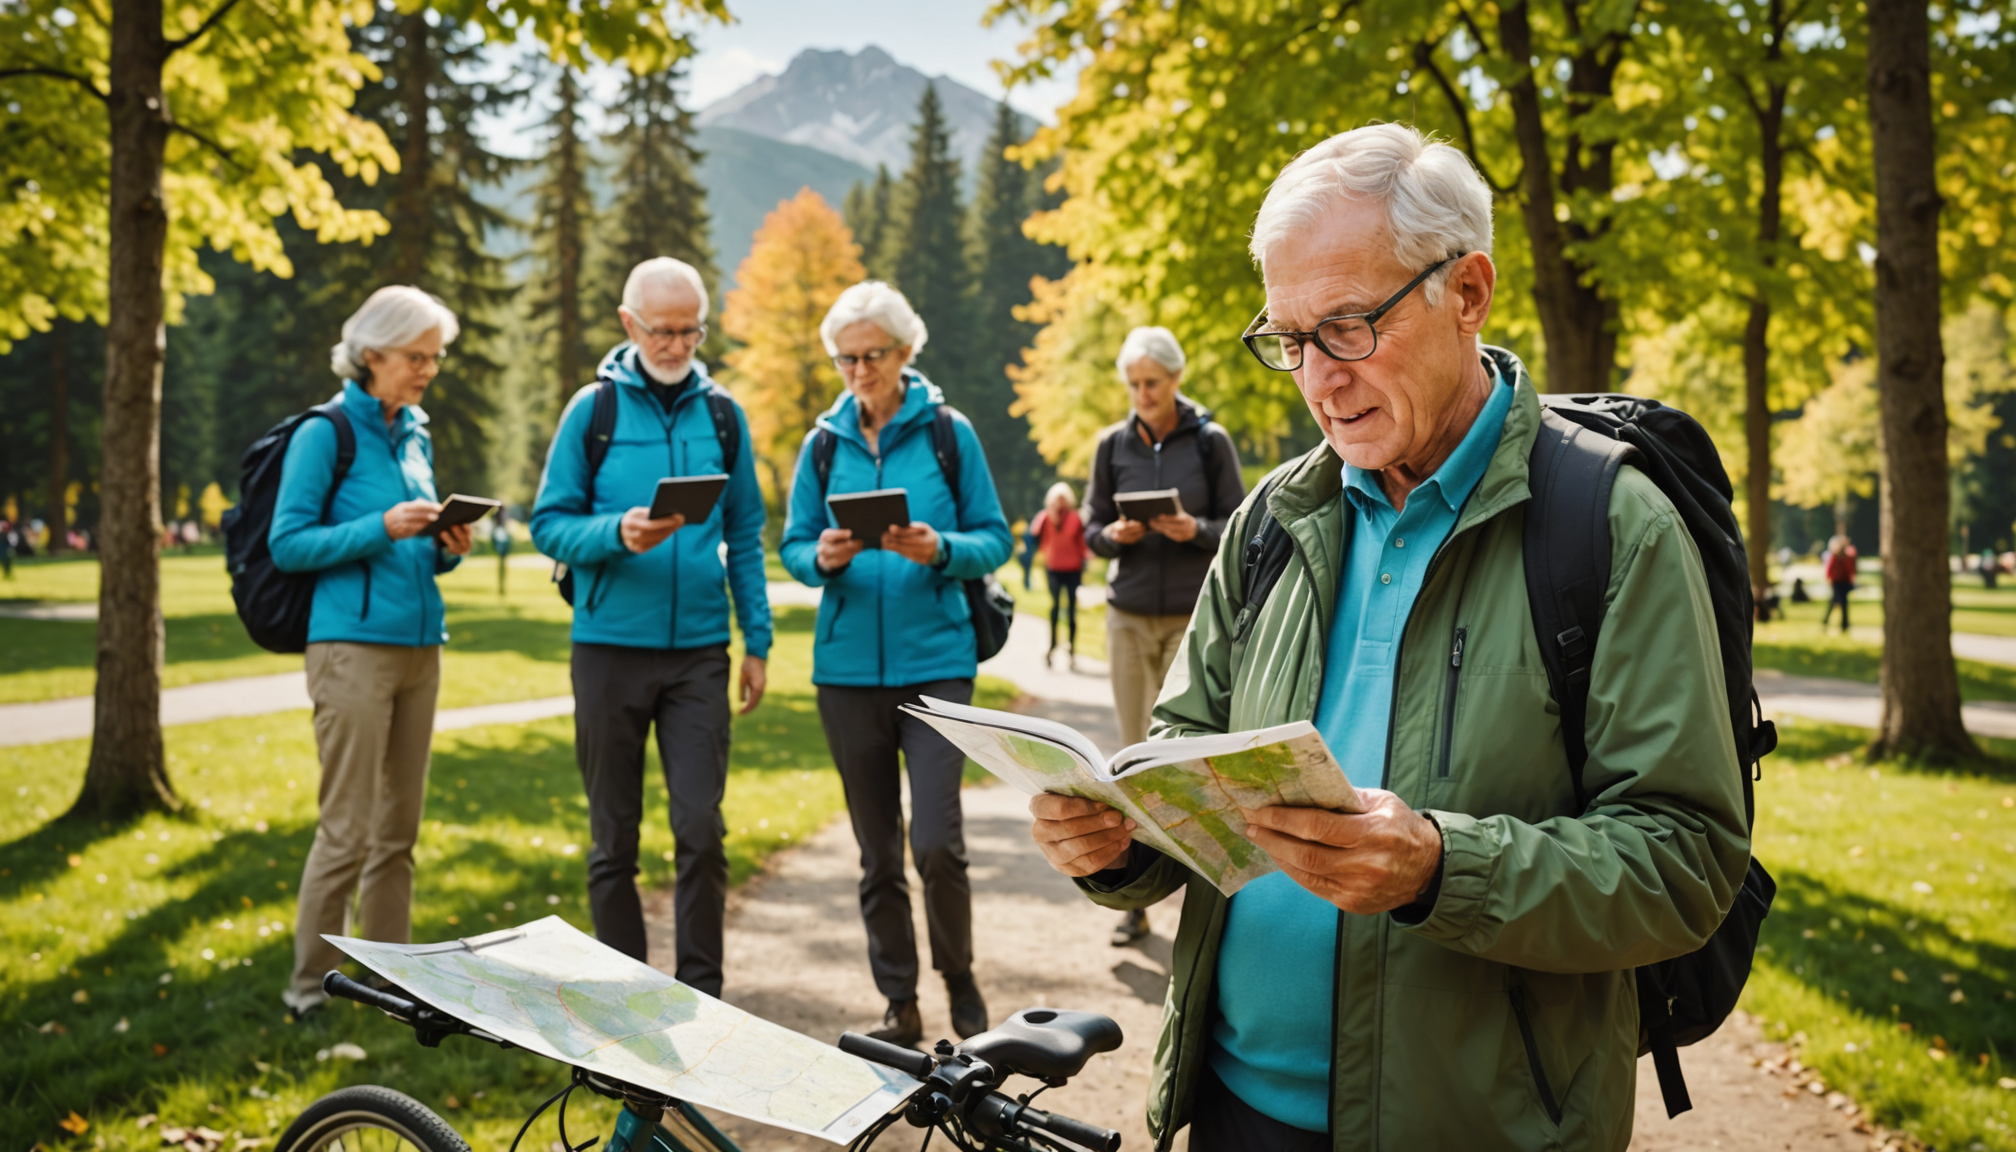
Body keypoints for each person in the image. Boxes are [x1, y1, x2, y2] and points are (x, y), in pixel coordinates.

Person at [1027, 123, 1750, 1149]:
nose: (1318, 378)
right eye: (1288, 339)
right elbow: (1181, 763)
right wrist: (1115, 844)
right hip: (1234, 1110)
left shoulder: (1610, 524)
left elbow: (1685, 862)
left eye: (1349, 325)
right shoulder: (1273, 518)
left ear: (1468, 292)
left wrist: (1437, 868)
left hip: (1483, 1130)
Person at [529, 257, 770, 998]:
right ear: (630, 325)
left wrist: (755, 640)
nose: (676, 345)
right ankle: (626, 993)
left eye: (690, 330)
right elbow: (548, 525)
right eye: (662, 331)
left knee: (700, 826)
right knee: (614, 839)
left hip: (699, 650)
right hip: (608, 650)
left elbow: (748, 531)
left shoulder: (724, 415)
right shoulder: (591, 413)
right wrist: (614, 534)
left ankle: (701, 993)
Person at [780, 281, 1013, 1045]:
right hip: (845, 674)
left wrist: (940, 550)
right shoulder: (821, 446)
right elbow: (792, 545)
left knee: (936, 843)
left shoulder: (950, 433)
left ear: (906, 352)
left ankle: (960, 975)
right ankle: (899, 998)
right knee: (877, 852)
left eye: (871, 355)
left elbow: (995, 538)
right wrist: (820, 555)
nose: (857, 371)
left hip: (937, 664)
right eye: (845, 358)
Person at [270, 285, 474, 1020]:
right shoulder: (326, 434)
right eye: (416, 357)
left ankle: (390, 985)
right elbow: (288, 543)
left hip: (421, 649)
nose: (427, 370)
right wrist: (380, 525)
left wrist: (447, 547)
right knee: (348, 830)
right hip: (351, 652)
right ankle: (311, 993)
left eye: (435, 358)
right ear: (371, 354)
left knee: (398, 833)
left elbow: (413, 551)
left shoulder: (414, 434)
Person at [1080, 326, 1245, 946]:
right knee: (1130, 756)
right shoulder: (1110, 445)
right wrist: (1114, 538)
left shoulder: (1210, 442)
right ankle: (1135, 899)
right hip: (1127, 614)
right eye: (1133, 385)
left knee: (1179, 756)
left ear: (1176, 379)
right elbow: (1093, 527)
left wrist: (1192, 529)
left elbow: (1239, 523)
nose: (1142, 394)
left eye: (1151, 383)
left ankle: (1202, 895)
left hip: (1189, 615)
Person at [1031, 482, 1088, 668]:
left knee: (1072, 610)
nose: (1060, 502)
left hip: (1073, 568)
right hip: (1053, 567)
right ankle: (1052, 646)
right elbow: (1034, 535)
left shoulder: (1075, 518)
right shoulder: (1046, 517)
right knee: (1055, 607)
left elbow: (1082, 543)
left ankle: (1072, 649)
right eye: (1057, 498)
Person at [1822, 535, 1857, 632]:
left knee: (1838, 603)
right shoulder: (1835, 555)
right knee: (1841, 603)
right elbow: (1830, 569)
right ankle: (1843, 624)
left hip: (1844, 583)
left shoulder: (1848, 555)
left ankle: (1842, 624)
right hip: (1837, 583)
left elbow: (1851, 569)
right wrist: (1829, 579)